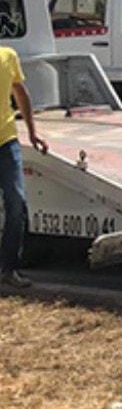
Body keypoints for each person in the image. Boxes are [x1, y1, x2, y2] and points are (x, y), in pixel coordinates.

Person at [0, 46, 48, 288]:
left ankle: (9, 269)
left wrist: (32, 133)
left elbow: (20, 93)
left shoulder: (8, 56)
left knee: (16, 202)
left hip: (6, 143)